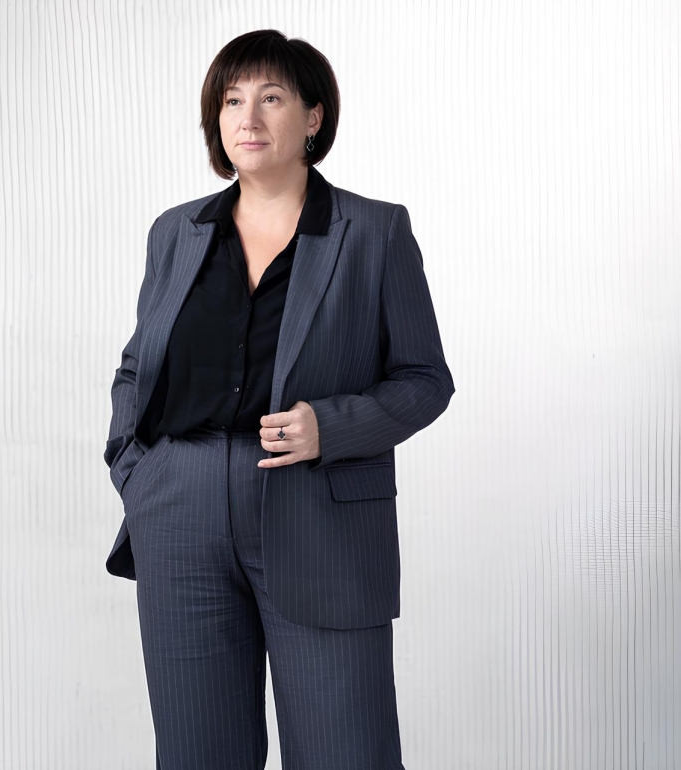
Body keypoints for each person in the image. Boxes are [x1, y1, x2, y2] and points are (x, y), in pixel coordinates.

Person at [103, 28, 455, 770]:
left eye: (271, 98)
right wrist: (137, 472)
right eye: (232, 101)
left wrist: (331, 426)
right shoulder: (177, 232)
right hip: (179, 510)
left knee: (345, 750)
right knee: (198, 752)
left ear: (313, 117)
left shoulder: (374, 231)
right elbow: (139, 367)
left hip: (318, 513)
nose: (248, 118)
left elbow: (425, 379)